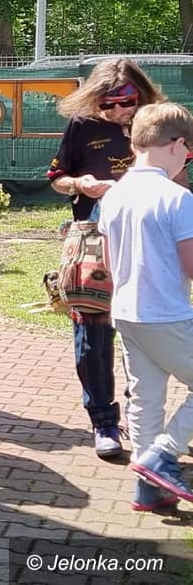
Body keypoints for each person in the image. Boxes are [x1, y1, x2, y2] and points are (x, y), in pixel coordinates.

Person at [48, 58, 165, 458]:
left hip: (147, 241)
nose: (117, 111)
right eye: (107, 104)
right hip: (94, 244)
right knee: (92, 335)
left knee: (144, 331)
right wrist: (79, 183)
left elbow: (178, 176)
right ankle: (103, 421)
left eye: (126, 102)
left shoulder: (158, 123)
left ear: (141, 95)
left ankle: (140, 413)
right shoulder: (82, 125)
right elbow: (57, 178)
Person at [97, 102, 193, 511]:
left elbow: (107, 263)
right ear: (177, 145)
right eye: (188, 153)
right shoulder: (178, 198)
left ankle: (148, 487)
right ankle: (163, 455)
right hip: (167, 313)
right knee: (149, 397)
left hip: (126, 312)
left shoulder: (114, 196)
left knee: (145, 398)